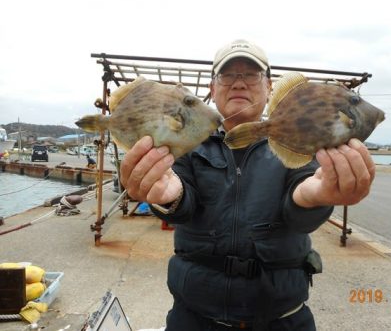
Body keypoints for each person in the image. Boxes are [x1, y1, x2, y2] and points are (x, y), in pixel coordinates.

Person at [120, 39, 375, 331]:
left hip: (283, 318)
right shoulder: (188, 142)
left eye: (251, 75)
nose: (239, 83)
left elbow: (303, 189)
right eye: (227, 75)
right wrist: (168, 197)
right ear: (212, 89)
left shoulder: (297, 140)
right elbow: (181, 198)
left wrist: (317, 196)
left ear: (269, 87)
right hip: (194, 318)